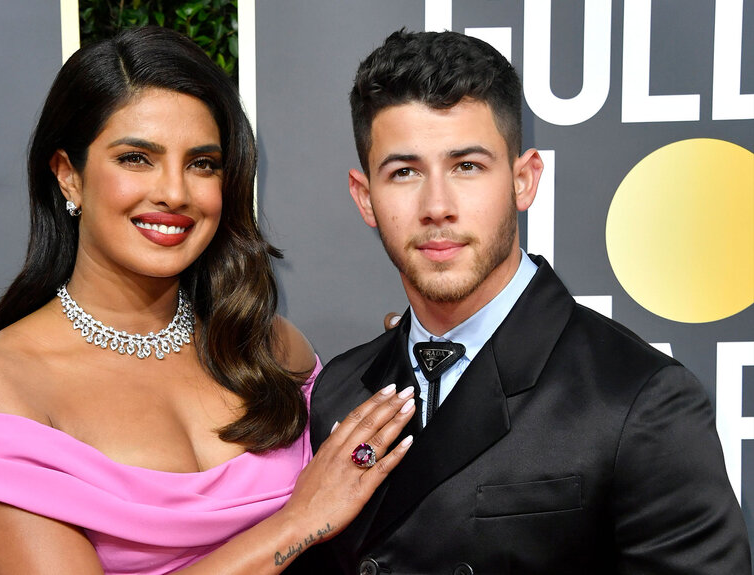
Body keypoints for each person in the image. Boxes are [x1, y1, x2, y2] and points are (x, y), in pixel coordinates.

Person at [0, 27, 416, 575]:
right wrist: (298, 522)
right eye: (137, 158)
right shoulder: (1, 392)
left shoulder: (272, 346)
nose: (175, 193)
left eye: (202, 163)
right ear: (69, 176)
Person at [308, 30, 751, 574]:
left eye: (467, 166)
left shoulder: (638, 399)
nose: (436, 206)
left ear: (523, 181)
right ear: (365, 197)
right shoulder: (339, 390)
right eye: (404, 172)